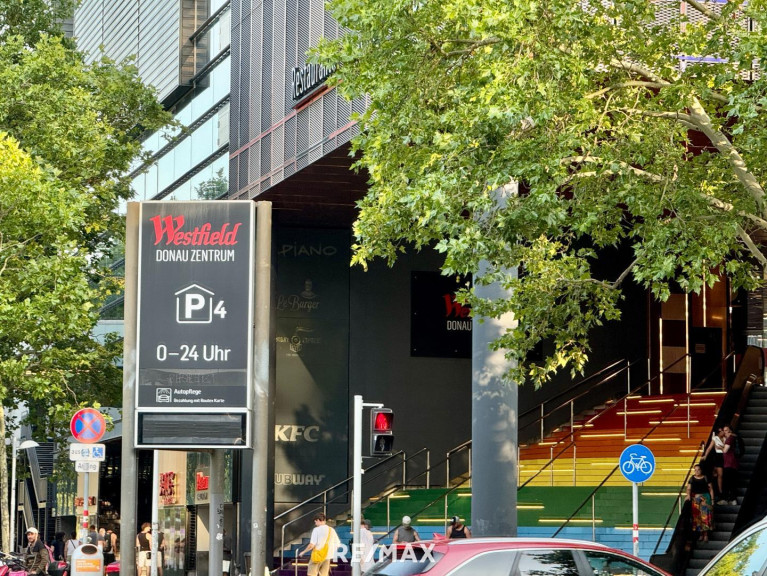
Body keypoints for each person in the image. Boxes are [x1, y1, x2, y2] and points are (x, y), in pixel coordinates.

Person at [686, 463, 715, 542]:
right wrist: (688, 495)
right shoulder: (692, 478)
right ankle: (701, 534)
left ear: (701, 470)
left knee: (705, 516)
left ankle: (706, 535)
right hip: (696, 499)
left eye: (698, 470)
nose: (697, 471)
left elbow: (711, 489)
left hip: (705, 498)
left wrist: (712, 500)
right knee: (697, 517)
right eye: (695, 470)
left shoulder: (705, 478)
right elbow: (688, 488)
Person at [704, 427, 725, 501]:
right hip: (719, 456)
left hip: (725, 456)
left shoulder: (726, 437)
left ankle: (721, 491)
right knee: (720, 474)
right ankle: (720, 491)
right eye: (722, 431)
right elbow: (709, 448)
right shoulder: (715, 438)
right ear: (718, 432)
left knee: (722, 474)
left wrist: (721, 447)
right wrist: (705, 456)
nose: (723, 432)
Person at [722, 425, 740, 505]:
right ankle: (732, 499)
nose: (725, 432)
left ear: (730, 431)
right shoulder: (733, 438)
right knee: (731, 481)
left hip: (729, 463)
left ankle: (730, 499)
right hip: (733, 463)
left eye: (726, 430)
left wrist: (720, 447)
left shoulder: (730, 439)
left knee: (728, 482)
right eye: (724, 430)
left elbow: (725, 450)